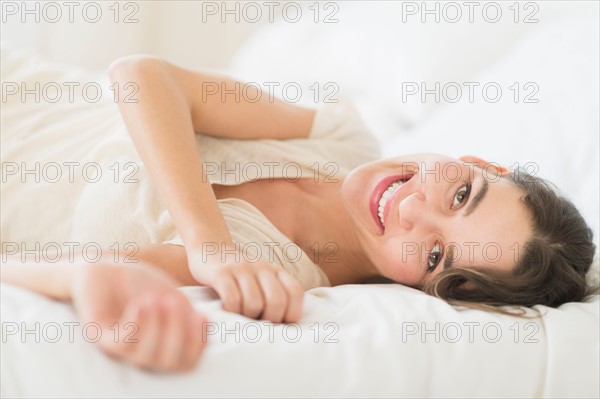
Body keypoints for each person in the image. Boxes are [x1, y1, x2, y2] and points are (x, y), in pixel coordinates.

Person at [1, 54, 596, 373]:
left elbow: (80, 267)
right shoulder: (340, 137)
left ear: (424, 288)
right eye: (462, 194)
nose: (413, 207)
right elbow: (141, 76)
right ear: (475, 161)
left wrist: (204, 261)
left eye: (435, 253)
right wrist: (210, 242)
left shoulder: (274, 276)